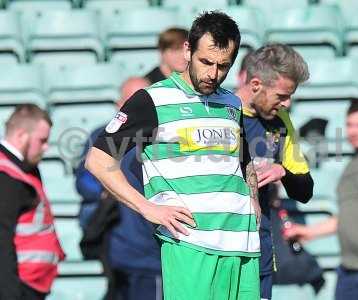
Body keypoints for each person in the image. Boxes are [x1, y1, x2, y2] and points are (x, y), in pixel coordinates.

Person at [86, 11, 263, 300]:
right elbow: (98, 160)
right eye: (206, 62)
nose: (212, 73)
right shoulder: (152, 100)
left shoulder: (231, 102)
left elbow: (243, 158)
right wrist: (147, 208)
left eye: (223, 66)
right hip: (192, 244)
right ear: (187, 50)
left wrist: (253, 198)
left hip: (243, 244)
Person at [285, 99, 358, 300]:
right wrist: (308, 232)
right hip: (347, 271)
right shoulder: (354, 163)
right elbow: (347, 216)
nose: (353, 131)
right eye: (349, 125)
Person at [235, 44, 314, 300]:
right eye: (281, 95)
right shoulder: (217, 113)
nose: (287, 103)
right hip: (214, 249)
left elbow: (304, 191)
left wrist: (283, 171)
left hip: (260, 251)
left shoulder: (280, 122)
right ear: (256, 84)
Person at [75, 76, 163, 300]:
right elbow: (84, 181)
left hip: (152, 254)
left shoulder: (163, 139)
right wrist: (106, 188)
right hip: (117, 251)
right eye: (131, 100)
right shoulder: (100, 136)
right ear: (119, 105)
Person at [0, 104, 65, 300]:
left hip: (30, 284)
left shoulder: (23, 169)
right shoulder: (6, 176)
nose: (46, 147)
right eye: (42, 140)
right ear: (21, 135)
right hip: (17, 286)